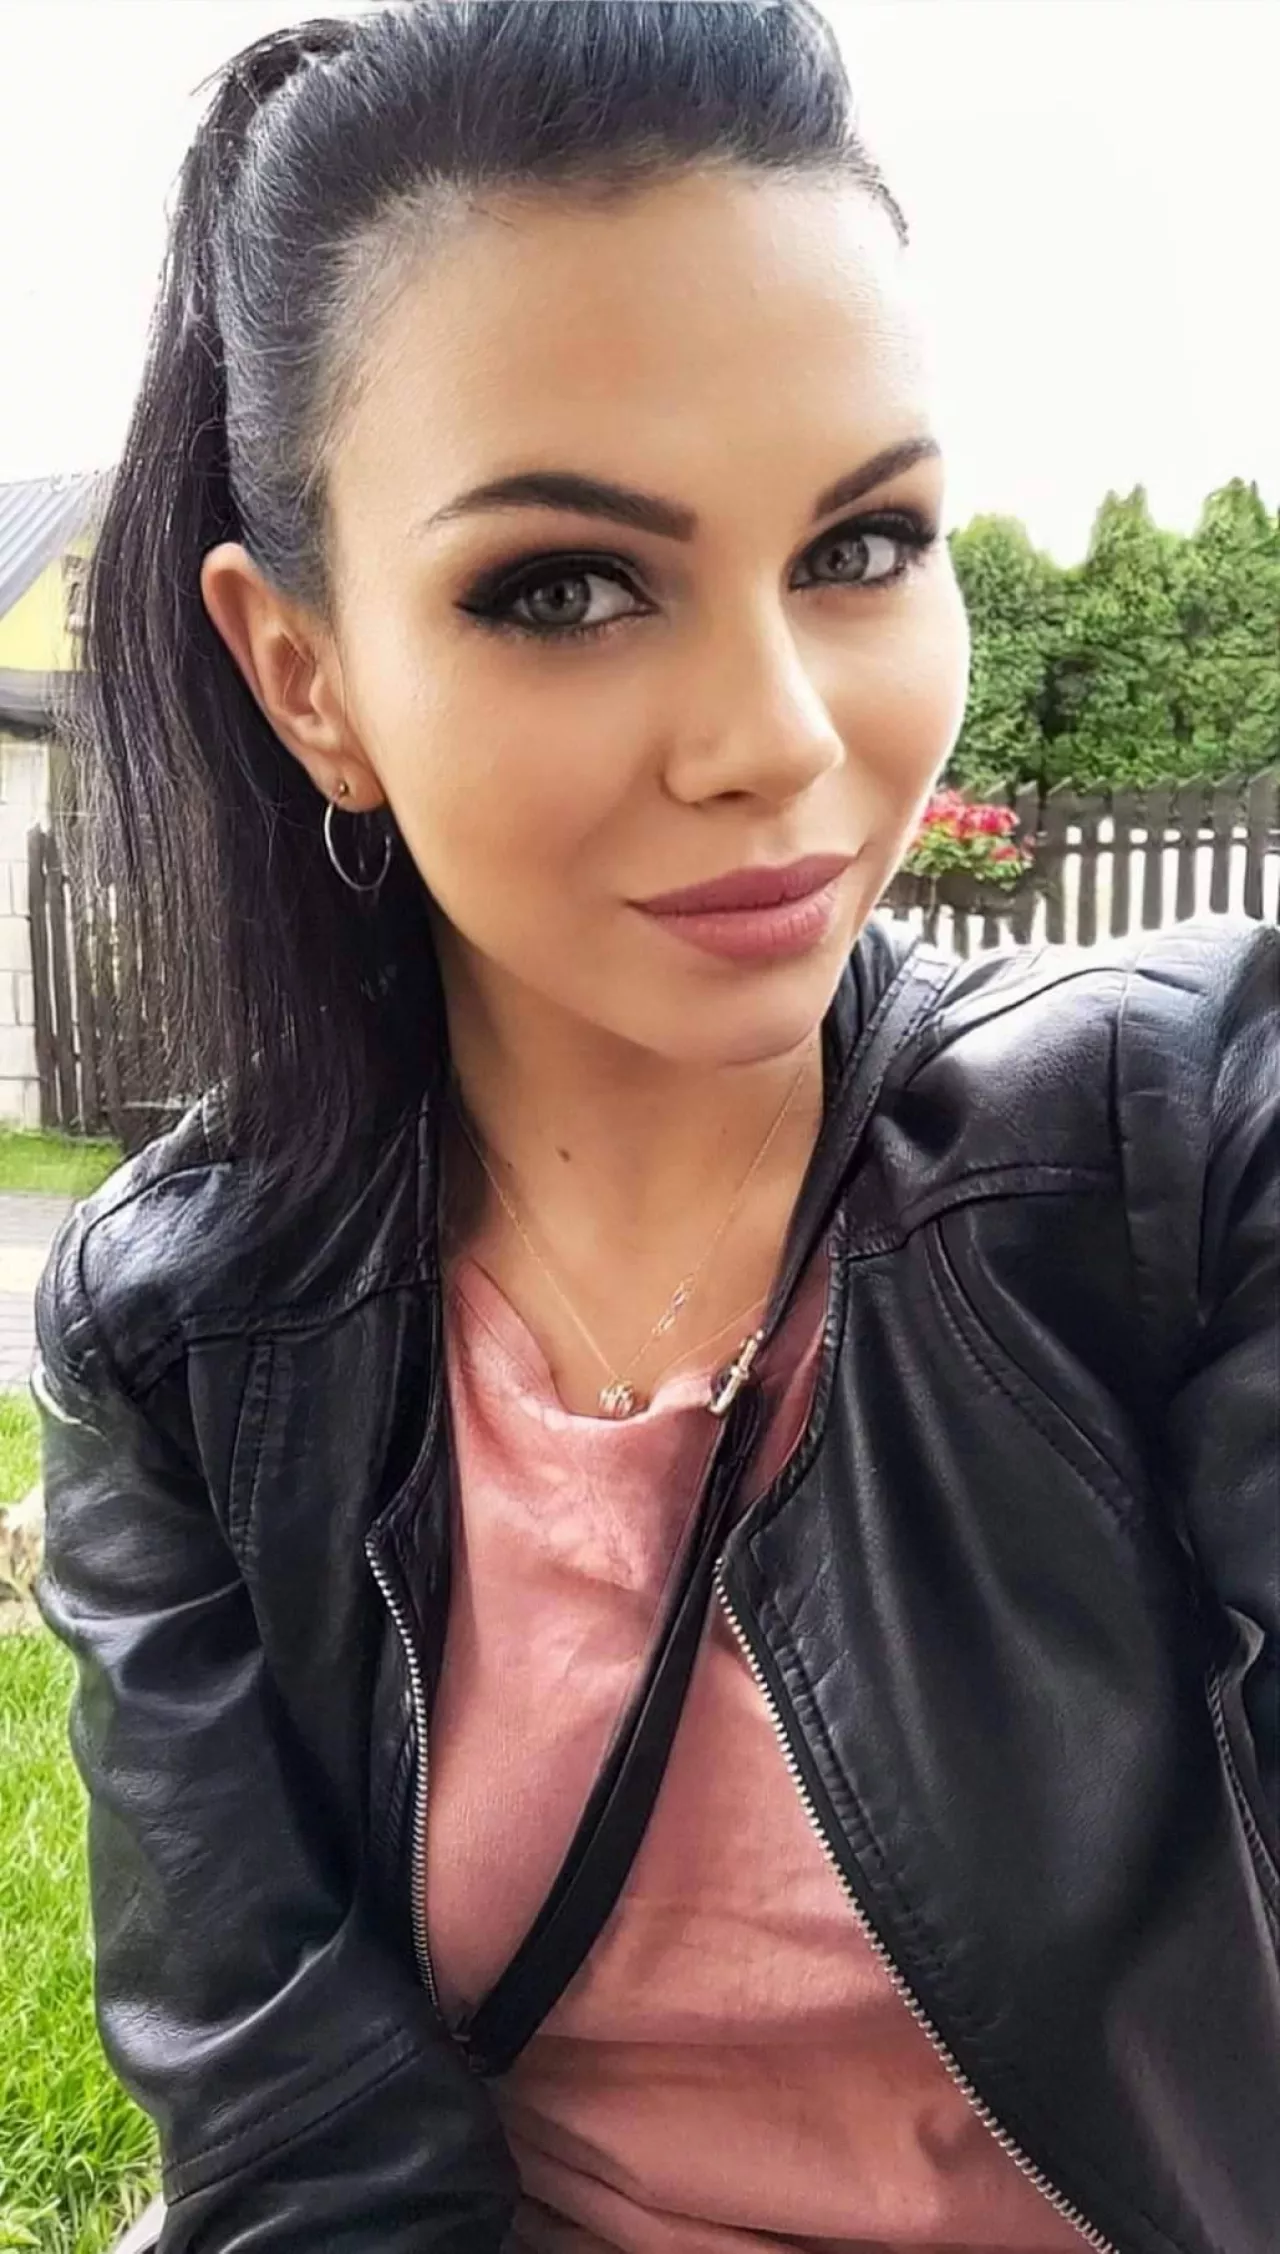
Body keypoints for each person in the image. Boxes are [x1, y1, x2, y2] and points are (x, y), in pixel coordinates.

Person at [33, 5, 1277, 2252]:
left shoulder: (1185, 1168)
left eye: (863, 543)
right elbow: (303, 2149)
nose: (775, 736)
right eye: (565, 586)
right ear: (307, 673)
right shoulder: (186, 1337)